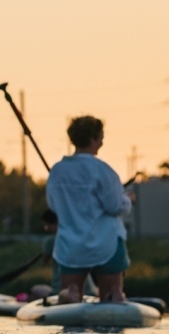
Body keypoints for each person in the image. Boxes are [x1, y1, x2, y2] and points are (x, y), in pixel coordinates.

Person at [45, 116, 131, 304]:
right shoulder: (102, 170)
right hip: (105, 242)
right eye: (101, 135)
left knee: (69, 291)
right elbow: (115, 206)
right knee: (111, 294)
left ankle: (71, 294)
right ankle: (113, 295)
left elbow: (53, 206)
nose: (103, 139)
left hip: (70, 245)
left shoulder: (57, 171)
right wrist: (128, 200)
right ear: (93, 138)